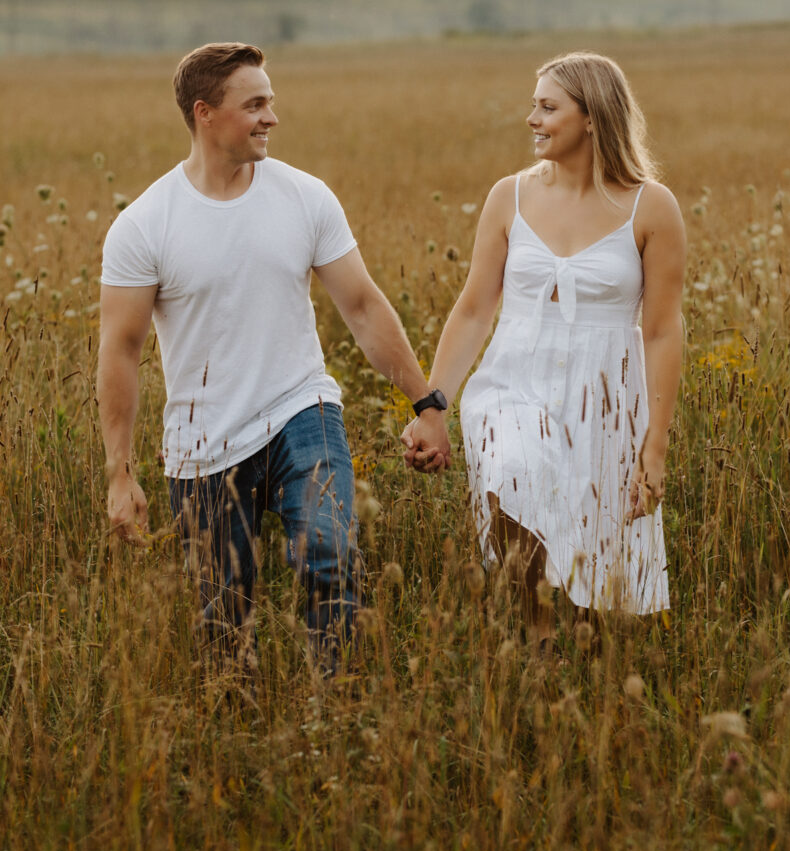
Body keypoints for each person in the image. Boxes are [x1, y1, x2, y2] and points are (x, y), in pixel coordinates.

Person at [98, 42, 451, 666]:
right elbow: (120, 353)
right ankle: (237, 724)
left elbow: (364, 307)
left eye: (272, 102)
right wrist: (119, 473)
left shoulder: (305, 197)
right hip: (202, 442)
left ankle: (335, 706)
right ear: (205, 113)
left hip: (302, 409)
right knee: (223, 614)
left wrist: (426, 402)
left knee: (329, 551)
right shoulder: (145, 224)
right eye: (255, 104)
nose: (271, 117)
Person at [402, 51, 685, 644]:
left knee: (592, 553)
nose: (532, 118)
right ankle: (537, 634)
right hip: (512, 383)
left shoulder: (651, 206)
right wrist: (434, 406)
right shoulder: (509, 196)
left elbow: (661, 331)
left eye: (547, 107)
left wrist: (654, 447)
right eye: (534, 104)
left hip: (606, 398)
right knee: (513, 474)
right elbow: (476, 307)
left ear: (591, 117)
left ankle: (582, 653)